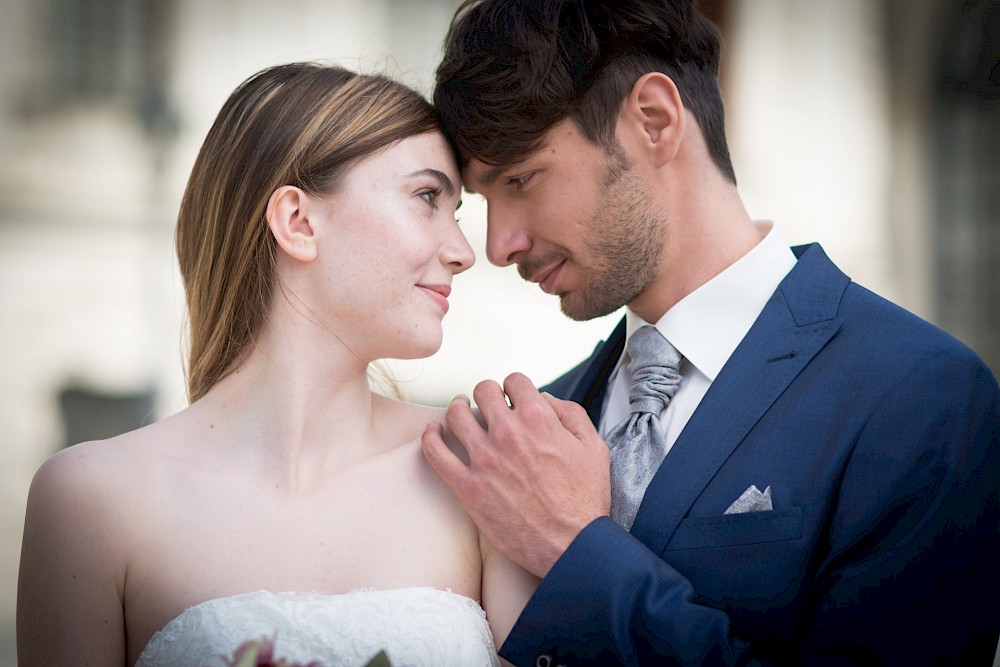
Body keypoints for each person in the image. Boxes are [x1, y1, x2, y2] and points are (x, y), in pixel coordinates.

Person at [420, 1, 1000, 665]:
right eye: (484, 200)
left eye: (521, 178)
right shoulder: (540, 427)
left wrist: (578, 547)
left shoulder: (922, 398)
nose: (498, 244)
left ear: (654, 120)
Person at [17, 62, 537, 667]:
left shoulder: (482, 469)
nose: (462, 251)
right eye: (427, 198)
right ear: (298, 221)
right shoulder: (90, 503)